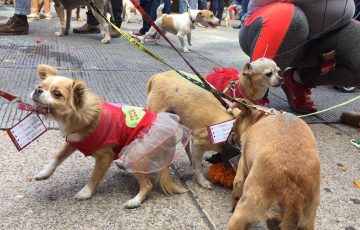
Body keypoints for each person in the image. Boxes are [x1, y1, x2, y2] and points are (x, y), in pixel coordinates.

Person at [239, 0, 360, 114]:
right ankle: (252, 97)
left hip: (322, 37)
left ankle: (297, 80)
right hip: (264, 25)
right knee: (290, 17)